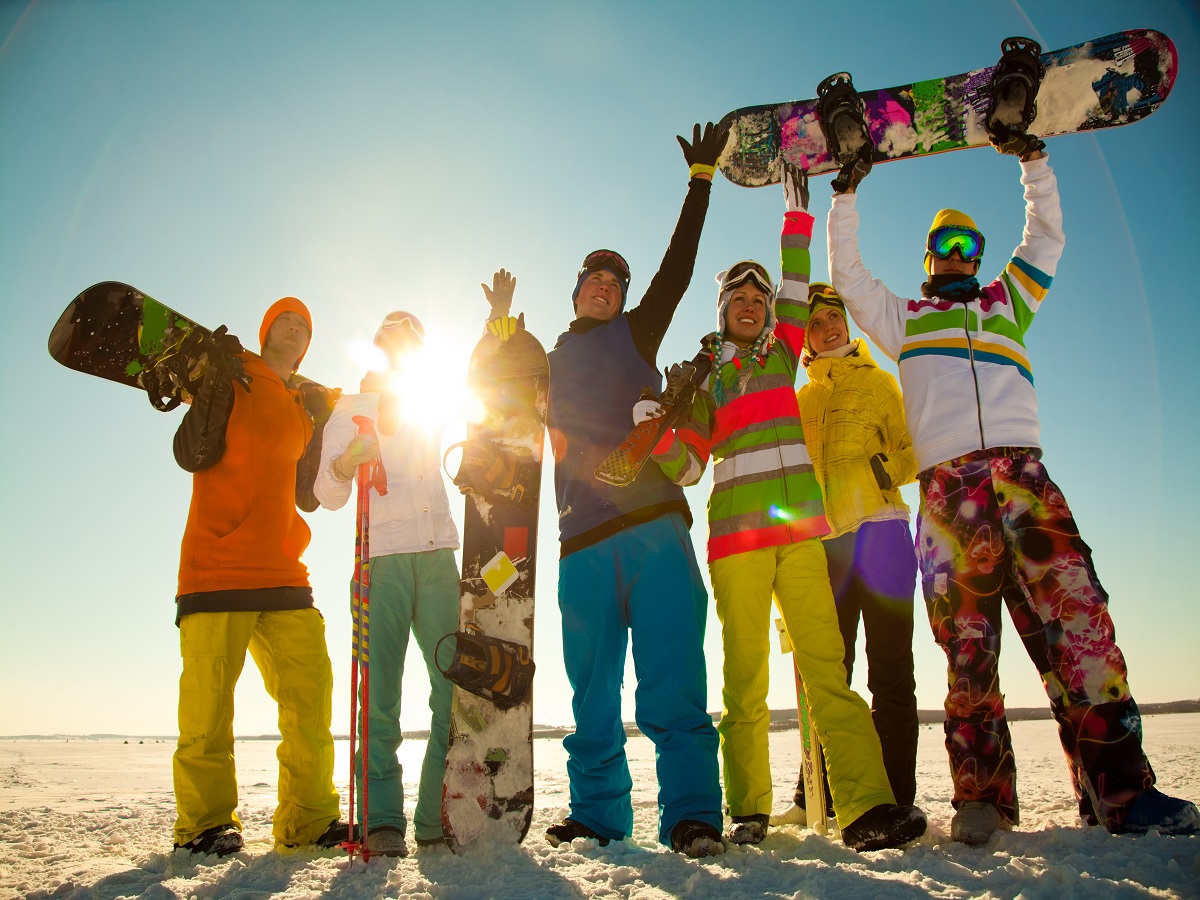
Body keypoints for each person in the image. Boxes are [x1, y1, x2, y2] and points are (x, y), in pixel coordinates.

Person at [827, 127, 1200, 843]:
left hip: (1025, 483)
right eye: (948, 248)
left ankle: (1122, 793)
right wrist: (846, 192)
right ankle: (982, 800)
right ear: (931, 259)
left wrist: (1033, 158)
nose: (961, 257)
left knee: (1082, 630)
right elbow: (849, 276)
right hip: (949, 496)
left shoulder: (1008, 305)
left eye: (971, 246)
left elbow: (1046, 239)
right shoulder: (905, 320)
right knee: (969, 651)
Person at [645, 164, 927, 852]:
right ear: (723, 312)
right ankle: (749, 808)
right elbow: (687, 467)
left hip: (802, 536)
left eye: (759, 296)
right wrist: (657, 431)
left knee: (827, 672)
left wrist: (794, 222)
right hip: (736, 545)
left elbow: (799, 286)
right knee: (745, 680)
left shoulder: (784, 355)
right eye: (739, 296)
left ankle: (865, 808)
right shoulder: (706, 377)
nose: (751, 302)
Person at [543, 123, 727, 859]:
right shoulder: (544, 361)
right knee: (590, 693)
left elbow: (678, 273)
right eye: (596, 278)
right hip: (580, 536)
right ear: (578, 289)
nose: (607, 287)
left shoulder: (636, 335)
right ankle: (597, 814)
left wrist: (702, 180)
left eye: (616, 283)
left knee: (673, 681)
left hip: (653, 525)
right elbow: (491, 408)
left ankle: (690, 815)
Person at [171, 298, 345, 856]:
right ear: (267, 331)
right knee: (208, 709)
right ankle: (203, 824)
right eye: (286, 323)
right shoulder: (234, 371)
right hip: (217, 565)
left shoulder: (300, 403)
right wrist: (217, 379)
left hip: (284, 569)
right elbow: (190, 451)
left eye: (305, 328)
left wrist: (324, 426)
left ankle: (310, 819)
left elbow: (306, 496)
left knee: (310, 698)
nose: (295, 331)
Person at [314, 297, 473, 856]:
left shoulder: (432, 401)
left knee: (448, 694)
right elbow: (325, 493)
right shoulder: (352, 405)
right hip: (379, 559)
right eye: (392, 338)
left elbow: (483, 410)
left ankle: (431, 818)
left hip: (436, 558)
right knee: (378, 697)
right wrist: (342, 462)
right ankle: (383, 820)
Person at [771, 284, 919, 825]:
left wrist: (887, 471)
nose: (827, 327)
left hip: (881, 536)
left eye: (834, 317)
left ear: (847, 324)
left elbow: (912, 447)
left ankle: (897, 797)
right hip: (825, 547)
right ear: (805, 338)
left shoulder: (879, 382)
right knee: (828, 675)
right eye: (815, 323)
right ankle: (815, 799)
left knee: (891, 675)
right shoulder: (800, 398)